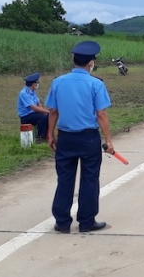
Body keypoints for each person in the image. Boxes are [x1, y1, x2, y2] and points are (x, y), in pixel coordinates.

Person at [45, 40, 115, 234]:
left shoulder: (58, 82)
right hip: (88, 138)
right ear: (91, 63)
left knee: (65, 178)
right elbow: (101, 114)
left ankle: (62, 221)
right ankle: (86, 221)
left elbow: (52, 111)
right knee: (90, 178)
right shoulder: (96, 84)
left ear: (74, 61)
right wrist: (108, 140)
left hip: (65, 137)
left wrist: (50, 135)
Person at [17, 72, 49, 141]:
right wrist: (47, 111)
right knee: (43, 117)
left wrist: (43, 111)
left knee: (48, 116)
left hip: (32, 114)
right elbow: (33, 107)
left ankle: (47, 136)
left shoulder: (32, 91)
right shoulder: (24, 93)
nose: (38, 84)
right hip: (26, 116)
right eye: (37, 83)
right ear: (33, 84)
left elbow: (38, 102)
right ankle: (40, 137)